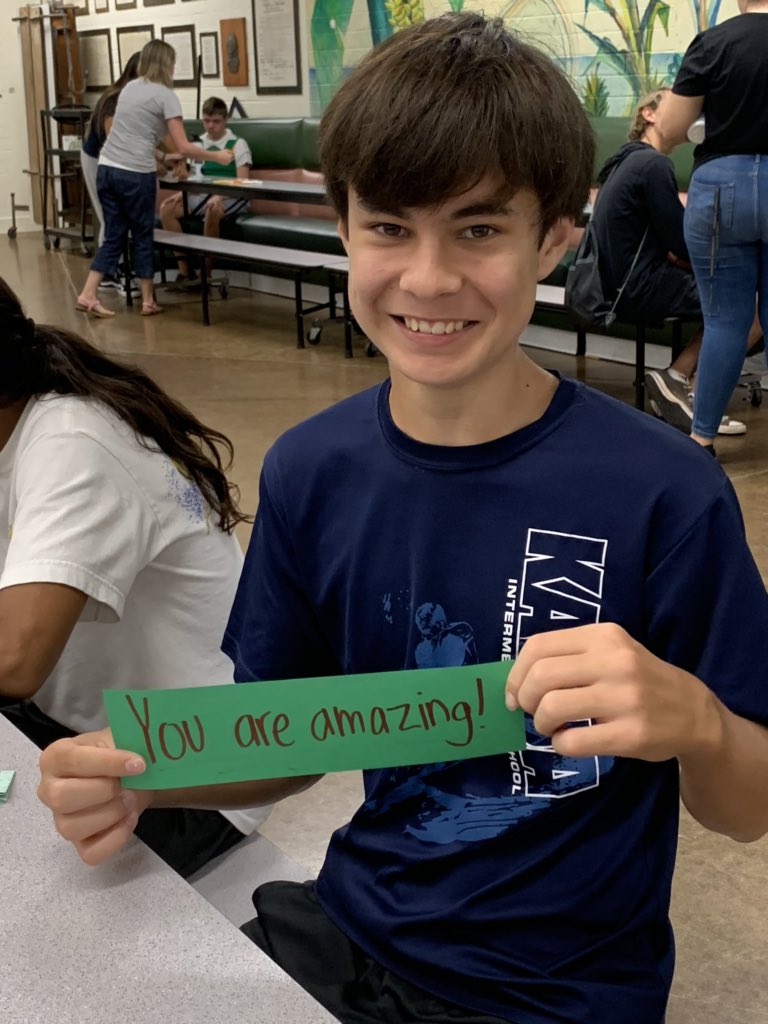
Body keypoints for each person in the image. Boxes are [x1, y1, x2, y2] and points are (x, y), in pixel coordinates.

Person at [38, 14, 768, 1024]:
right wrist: (149, 777)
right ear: (344, 227)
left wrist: (694, 718)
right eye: (389, 226)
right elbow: (292, 732)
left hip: (556, 990)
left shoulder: (664, 492)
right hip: (352, 925)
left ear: (556, 238)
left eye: (478, 229)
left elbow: (749, 802)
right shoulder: (312, 471)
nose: (428, 278)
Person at [0, 275, 269, 877]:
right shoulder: (19, 420)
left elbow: (15, 659)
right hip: (76, 724)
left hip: (186, 766)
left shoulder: (71, 442)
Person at [591, 87, 757, 436]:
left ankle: (680, 383)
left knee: (731, 296)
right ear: (649, 114)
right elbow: (681, 243)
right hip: (639, 287)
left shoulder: (627, 160)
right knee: (749, 302)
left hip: (618, 285)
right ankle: (688, 388)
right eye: (675, 103)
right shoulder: (651, 165)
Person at [656, 0, 768, 455]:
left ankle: (701, 439)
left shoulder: (714, 42)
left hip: (721, 186)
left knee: (723, 321)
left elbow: (669, 127)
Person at [75, 40, 234, 320]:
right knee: (142, 236)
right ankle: (147, 300)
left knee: (114, 235)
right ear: (166, 63)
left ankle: (89, 294)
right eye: (172, 61)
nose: (174, 67)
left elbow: (140, 133)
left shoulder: (129, 89)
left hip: (107, 169)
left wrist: (163, 158)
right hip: (135, 175)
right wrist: (217, 157)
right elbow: (183, 146)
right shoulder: (165, 96)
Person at [159, 95, 253, 286]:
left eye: (216, 121)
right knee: (166, 209)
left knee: (212, 210)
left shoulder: (238, 144)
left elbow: (243, 180)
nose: (211, 126)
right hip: (202, 193)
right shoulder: (196, 145)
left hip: (231, 196)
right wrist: (182, 193)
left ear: (224, 120)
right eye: (207, 121)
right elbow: (194, 176)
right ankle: (185, 273)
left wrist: (219, 194)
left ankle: (206, 274)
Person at [80, 51, 141, 294]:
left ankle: (109, 272)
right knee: (111, 215)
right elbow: (114, 138)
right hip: (98, 158)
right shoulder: (116, 98)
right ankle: (111, 272)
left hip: (114, 160)